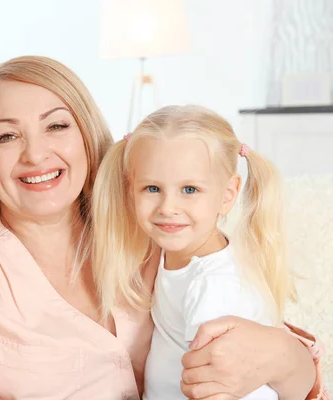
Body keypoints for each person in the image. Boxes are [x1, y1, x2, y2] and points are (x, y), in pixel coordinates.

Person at [0, 56, 324, 399]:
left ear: (87, 136)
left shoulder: (156, 226)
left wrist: (284, 354)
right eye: (6, 137)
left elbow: (293, 377)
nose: (36, 154)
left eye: (56, 126)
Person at [93, 105, 328, 399]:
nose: (168, 207)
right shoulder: (181, 253)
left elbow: (217, 387)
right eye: (152, 188)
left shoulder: (212, 287)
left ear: (228, 195)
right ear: (131, 190)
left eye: (189, 190)